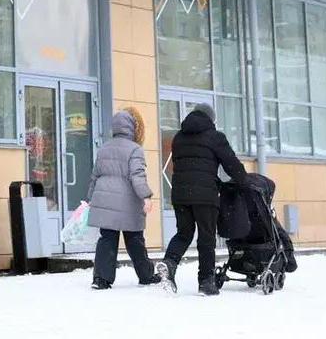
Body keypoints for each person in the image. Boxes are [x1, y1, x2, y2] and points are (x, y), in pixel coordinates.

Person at [155, 102, 247, 296]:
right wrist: (244, 181)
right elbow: (231, 164)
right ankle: (206, 282)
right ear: (211, 119)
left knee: (183, 234)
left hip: (180, 195)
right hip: (205, 196)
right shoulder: (215, 137)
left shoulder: (179, 138)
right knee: (206, 237)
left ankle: (170, 263)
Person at [85, 107, 159, 289]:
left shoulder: (104, 148)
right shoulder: (135, 149)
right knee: (135, 239)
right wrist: (146, 196)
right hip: (128, 203)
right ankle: (146, 275)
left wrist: (90, 199)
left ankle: (101, 279)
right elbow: (137, 175)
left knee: (107, 239)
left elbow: (95, 176)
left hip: (105, 202)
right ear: (132, 127)